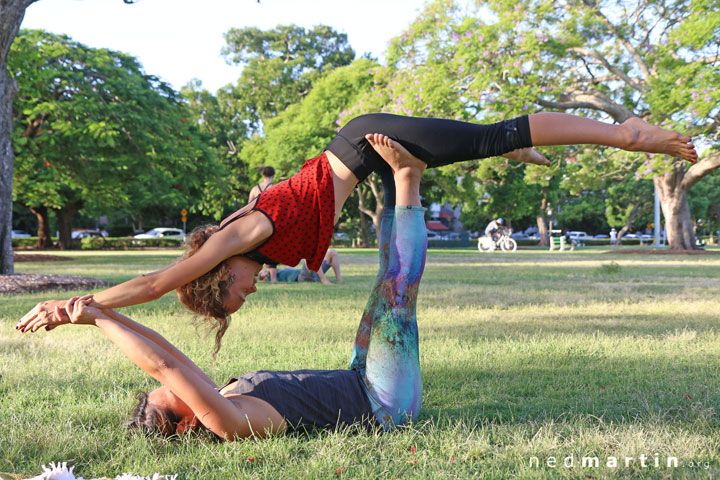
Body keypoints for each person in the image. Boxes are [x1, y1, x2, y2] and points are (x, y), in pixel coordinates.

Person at [17, 112, 698, 354]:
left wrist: (75, 308)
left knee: (495, 134)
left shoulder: (238, 237)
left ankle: (627, 135)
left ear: (217, 274)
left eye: (236, 296)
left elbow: (154, 282)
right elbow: (297, 203)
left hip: (368, 144)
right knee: (478, 143)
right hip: (362, 158)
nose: (250, 295)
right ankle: (511, 150)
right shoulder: (257, 237)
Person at [46, 145, 427, 437]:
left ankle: (397, 177)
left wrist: (97, 313)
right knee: (397, 292)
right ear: (184, 425)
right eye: (171, 392)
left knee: (387, 281)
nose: (171, 383)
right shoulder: (227, 422)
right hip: (383, 404)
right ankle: (408, 174)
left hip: (363, 380)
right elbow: (165, 366)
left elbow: (163, 350)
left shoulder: (221, 397)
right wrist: (96, 317)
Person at [259, 249, 343, 285]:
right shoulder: (271, 276)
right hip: (303, 277)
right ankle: (324, 280)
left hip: (312, 273)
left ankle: (339, 279)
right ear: (264, 277)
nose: (265, 270)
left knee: (332, 252)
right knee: (310, 256)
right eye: (264, 272)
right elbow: (272, 267)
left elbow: (288, 263)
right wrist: (270, 267)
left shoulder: (281, 272)